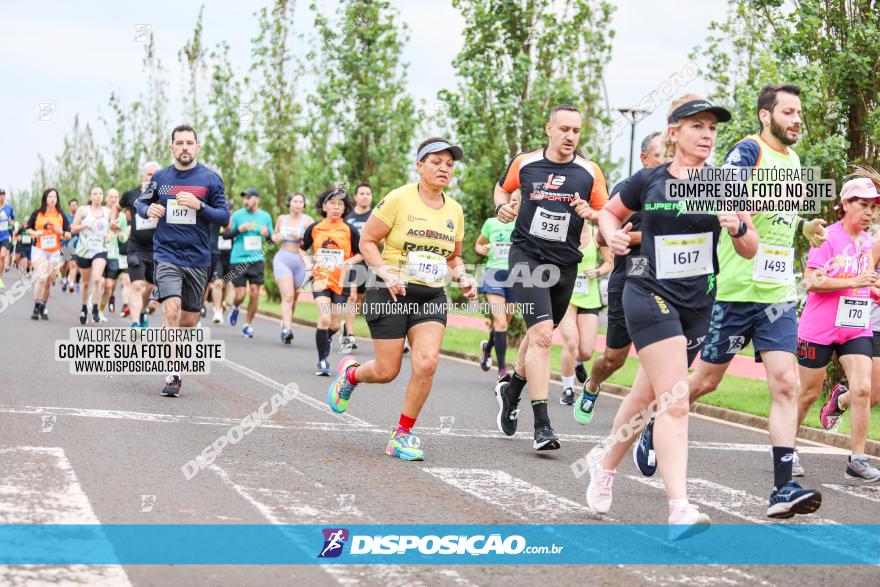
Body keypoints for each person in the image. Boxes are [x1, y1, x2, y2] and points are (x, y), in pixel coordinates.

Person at [642, 84, 826, 518]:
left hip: (777, 294)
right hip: (734, 292)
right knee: (704, 383)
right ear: (767, 116)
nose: (797, 119)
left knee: (786, 383)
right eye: (789, 112)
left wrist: (802, 227)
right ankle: (656, 425)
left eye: (799, 112)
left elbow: (776, 210)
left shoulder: (794, 161)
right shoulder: (748, 152)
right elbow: (724, 187)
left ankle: (782, 489)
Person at [588, 94, 758, 536]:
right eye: (697, 126)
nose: (706, 134)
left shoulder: (725, 185)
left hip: (697, 303)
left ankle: (604, 466)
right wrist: (614, 238)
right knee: (676, 401)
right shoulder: (648, 180)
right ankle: (679, 507)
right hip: (647, 291)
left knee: (647, 397)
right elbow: (609, 212)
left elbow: (750, 245)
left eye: (712, 128)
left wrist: (737, 227)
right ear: (674, 132)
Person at [327, 137, 477, 461]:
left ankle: (402, 434)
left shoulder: (455, 210)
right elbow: (367, 241)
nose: (444, 168)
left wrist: (463, 276)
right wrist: (383, 270)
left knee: (427, 362)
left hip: (431, 296)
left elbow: (454, 258)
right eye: (436, 162)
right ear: (420, 165)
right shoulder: (398, 199)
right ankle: (351, 374)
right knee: (386, 370)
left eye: (449, 164)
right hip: (389, 292)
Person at [492, 104, 609, 451]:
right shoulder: (525, 163)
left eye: (576, 130)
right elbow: (502, 189)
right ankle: (542, 424)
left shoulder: (589, 172)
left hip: (565, 264)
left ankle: (511, 389)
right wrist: (502, 207)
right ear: (549, 129)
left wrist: (594, 213)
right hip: (527, 256)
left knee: (537, 335)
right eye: (565, 129)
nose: (571, 136)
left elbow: (608, 212)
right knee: (543, 336)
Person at [793, 171, 880, 482]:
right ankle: (786, 450)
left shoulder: (869, 242)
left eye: (874, 206)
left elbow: (865, 282)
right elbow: (811, 281)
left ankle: (857, 458)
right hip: (819, 327)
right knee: (808, 392)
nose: (870, 212)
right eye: (863, 205)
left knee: (863, 388)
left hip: (855, 326)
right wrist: (854, 280)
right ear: (845, 204)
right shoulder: (827, 236)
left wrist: (873, 291)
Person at [576, 132, 664, 423]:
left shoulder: (682, 187)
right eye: (661, 155)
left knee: (661, 355)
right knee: (614, 359)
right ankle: (591, 386)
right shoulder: (629, 189)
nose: (668, 161)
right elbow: (604, 232)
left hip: (666, 284)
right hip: (628, 279)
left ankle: (653, 420)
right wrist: (633, 236)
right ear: (645, 159)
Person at [136, 124, 229, 397]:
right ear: (171, 147)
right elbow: (140, 204)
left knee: (188, 319)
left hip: (198, 258)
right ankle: (173, 374)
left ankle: (174, 343)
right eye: (180, 143)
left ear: (197, 147)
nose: (185, 147)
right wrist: (147, 207)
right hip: (166, 254)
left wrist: (201, 206)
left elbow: (224, 217)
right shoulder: (161, 177)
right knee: (171, 311)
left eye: (190, 143)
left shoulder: (210, 179)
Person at [300, 188, 362, 374]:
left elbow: (361, 253)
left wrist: (349, 262)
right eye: (332, 203)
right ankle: (322, 361)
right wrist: (307, 261)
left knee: (335, 325)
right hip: (320, 278)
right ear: (324, 206)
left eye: (340, 204)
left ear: (345, 208)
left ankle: (324, 339)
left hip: (341, 281)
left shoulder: (349, 230)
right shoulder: (315, 228)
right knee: (324, 318)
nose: (336, 207)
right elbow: (302, 249)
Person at [561, 224, 612, 406]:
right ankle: (568, 389)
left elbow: (609, 262)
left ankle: (576, 363)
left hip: (589, 297)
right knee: (571, 341)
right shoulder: (562, 229)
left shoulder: (596, 233)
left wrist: (597, 272)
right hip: (565, 296)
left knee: (587, 351)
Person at [475, 198, 517, 380]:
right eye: (508, 200)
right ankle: (502, 370)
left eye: (515, 199)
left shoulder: (522, 224)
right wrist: (483, 249)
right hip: (494, 274)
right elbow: (478, 244)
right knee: (500, 322)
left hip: (516, 276)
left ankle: (487, 348)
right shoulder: (490, 223)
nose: (512, 202)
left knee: (503, 323)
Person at [118, 162, 160, 328]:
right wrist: (117, 223)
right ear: (143, 176)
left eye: (154, 175)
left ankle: (142, 312)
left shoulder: (163, 195)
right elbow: (117, 208)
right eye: (149, 174)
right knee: (136, 284)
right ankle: (135, 323)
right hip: (136, 246)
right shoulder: (131, 194)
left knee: (149, 286)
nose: (151, 178)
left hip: (156, 248)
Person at [226, 188, 273, 338]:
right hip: (238, 259)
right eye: (244, 198)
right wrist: (239, 229)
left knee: (255, 292)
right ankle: (235, 307)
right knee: (240, 295)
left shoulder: (265, 217)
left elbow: (272, 241)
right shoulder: (238, 215)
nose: (246, 200)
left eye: (249, 197)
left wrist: (268, 235)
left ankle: (248, 325)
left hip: (256, 260)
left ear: (256, 200)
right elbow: (226, 235)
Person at [271, 192, 314, 343]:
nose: (297, 204)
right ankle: (287, 329)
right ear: (289, 203)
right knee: (288, 296)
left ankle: (285, 323)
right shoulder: (282, 219)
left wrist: (303, 239)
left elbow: (315, 240)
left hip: (301, 261)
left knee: (294, 300)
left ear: (304, 204)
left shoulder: (308, 221)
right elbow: (275, 235)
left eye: (300, 201)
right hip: (283, 258)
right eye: (295, 201)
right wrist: (275, 237)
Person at [26, 188, 71, 319]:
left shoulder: (61, 215)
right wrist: (35, 233)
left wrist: (61, 232)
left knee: (50, 280)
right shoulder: (38, 213)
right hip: (39, 249)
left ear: (57, 199)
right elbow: (28, 228)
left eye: (55, 197)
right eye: (50, 196)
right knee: (42, 276)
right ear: (45, 198)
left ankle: (42, 306)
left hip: (55, 251)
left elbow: (69, 235)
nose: (52, 199)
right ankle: (35, 308)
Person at [341, 183, 374, 352]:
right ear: (355, 197)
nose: (365, 196)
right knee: (352, 297)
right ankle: (349, 336)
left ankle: (346, 325)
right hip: (354, 261)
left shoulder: (376, 216)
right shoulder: (348, 218)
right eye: (361, 193)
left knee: (359, 299)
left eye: (368, 193)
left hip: (372, 262)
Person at [72, 186, 111, 324]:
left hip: (100, 249)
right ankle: (84, 307)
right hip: (84, 250)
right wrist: (85, 226)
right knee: (86, 283)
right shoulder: (83, 210)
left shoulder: (108, 212)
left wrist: (111, 233)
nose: (98, 196)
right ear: (90, 196)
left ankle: (95, 307)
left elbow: (112, 228)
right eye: (95, 193)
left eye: (100, 193)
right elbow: (73, 228)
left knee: (97, 279)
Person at [100, 188, 128, 317]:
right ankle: (93, 303)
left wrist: (121, 236)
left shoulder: (121, 216)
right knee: (98, 281)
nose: (113, 199)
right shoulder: (101, 214)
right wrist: (107, 235)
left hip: (114, 254)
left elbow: (123, 234)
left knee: (109, 285)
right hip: (99, 252)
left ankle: (100, 310)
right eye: (111, 197)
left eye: (116, 197)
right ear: (106, 198)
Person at [61, 198, 79, 293]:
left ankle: (71, 283)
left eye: (75, 205)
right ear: (69, 206)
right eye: (72, 205)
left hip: (76, 244)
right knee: (64, 265)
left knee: (73, 264)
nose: (74, 207)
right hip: (66, 244)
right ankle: (64, 278)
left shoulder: (80, 217)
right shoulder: (65, 217)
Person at [0, 188, 14, 289]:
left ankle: (0, 278)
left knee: (2, 256)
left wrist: (10, 222)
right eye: (0, 194)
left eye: (3, 194)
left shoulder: (9, 208)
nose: (2, 196)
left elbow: (13, 220)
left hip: (5, 236)